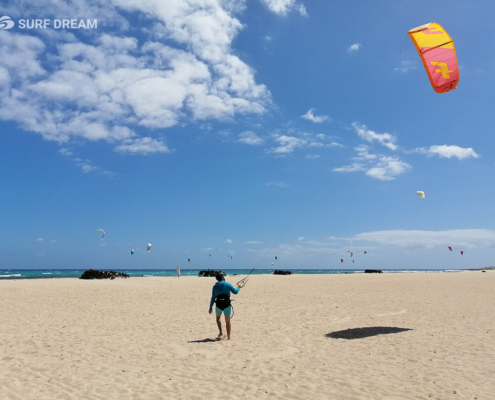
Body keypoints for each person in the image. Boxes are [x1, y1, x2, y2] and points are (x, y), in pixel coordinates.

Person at [208, 272, 240, 340]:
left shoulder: (214, 287)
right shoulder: (227, 285)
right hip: (226, 305)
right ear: (223, 277)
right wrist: (239, 288)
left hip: (218, 305)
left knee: (218, 318)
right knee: (227, 321)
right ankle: (228, 337)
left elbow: (213, 298)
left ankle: (220, 332)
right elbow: (235, 292)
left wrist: (210, 307)